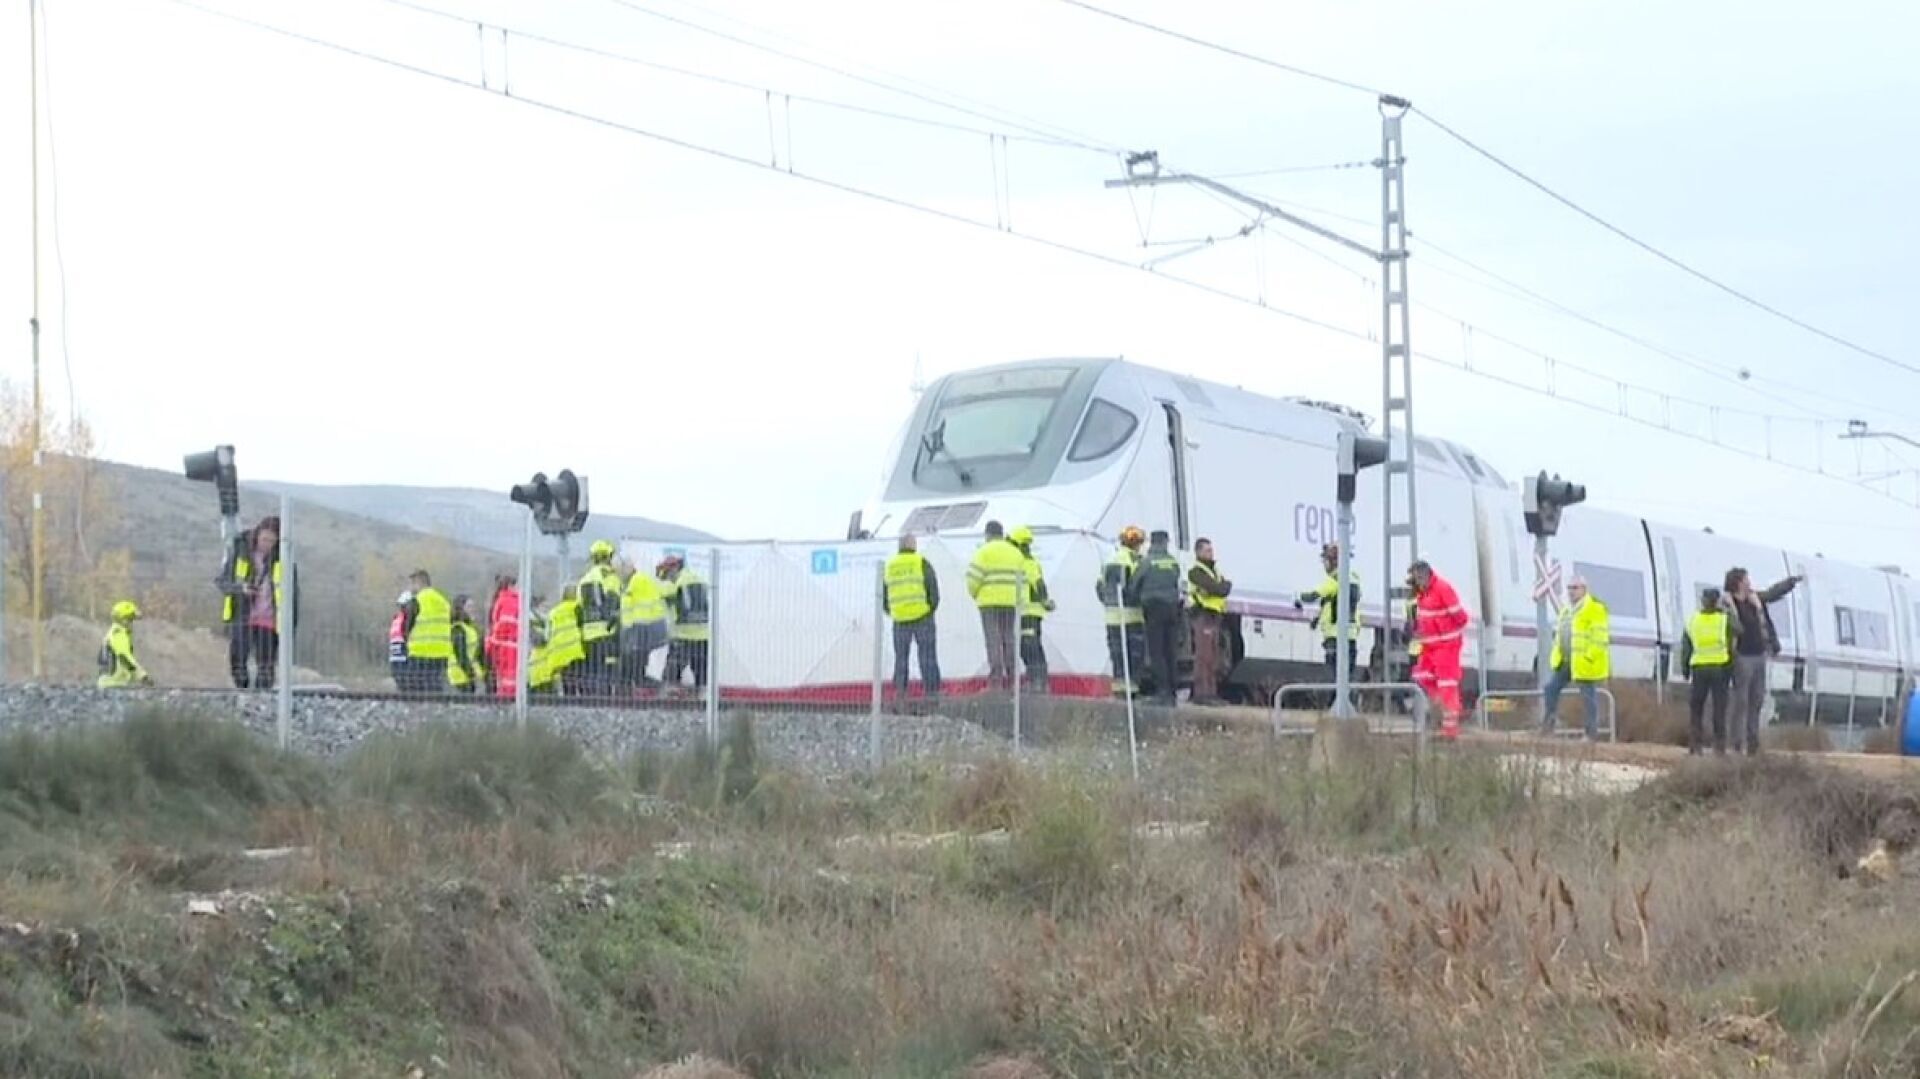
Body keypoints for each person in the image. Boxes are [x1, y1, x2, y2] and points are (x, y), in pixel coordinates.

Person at [1726, 566, 1802, 755]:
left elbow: (1772, 593)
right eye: (1746, 579)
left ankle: (1753, 743)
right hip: (1742, 657)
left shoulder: (1755, 600)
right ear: (1738, 583)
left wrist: (1790, 583)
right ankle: (1737, 742)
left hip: (1759, 655)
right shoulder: (1729, 603)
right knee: (1741, 702)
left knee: (1757, 700)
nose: (1749, 582)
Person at [218, 514, 288, 690]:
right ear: (257, 535)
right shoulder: (240, 552)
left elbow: (292, 592)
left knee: (266, 666)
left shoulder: (283, 558)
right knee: (238, 661)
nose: (266, 544)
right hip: (242, 615)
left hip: (270, 620)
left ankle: (262, 697)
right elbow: (222, 581)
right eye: (264, 539)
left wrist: (288, 622)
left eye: (272, 541)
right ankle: (242, 691)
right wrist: (241, 589)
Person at [1543, 576, 1611, 740]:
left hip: (1584, 662)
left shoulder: (1595, 609)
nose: (1571, 592)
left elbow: (1599, 637)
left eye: (1575, 588)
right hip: (1566, 661)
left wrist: (1589, 656)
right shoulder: (1566, 611)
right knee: (1550, 688)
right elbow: (1560, 635)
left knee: (1588, 697)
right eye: (1569, 588)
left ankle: (1591, 733)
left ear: (1584, 589)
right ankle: (1548, 726)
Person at [1409, 559, 1469, 738]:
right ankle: (1440, 709)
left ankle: (1450, 729)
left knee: (1447, 685)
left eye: (1418, 578)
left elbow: (1461, 617)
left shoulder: (1443, 589)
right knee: (1421, 676)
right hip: (1429, 646)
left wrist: (1445, 632)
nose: (1416, 582)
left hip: (1446, 646)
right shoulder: (1423, 593)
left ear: (1426, 575)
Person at [966, 521, 1025, 692]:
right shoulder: (1015, 553)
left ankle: (996, 680)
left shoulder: (983, 552)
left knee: (993, 640)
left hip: (988, 603)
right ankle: (1013, 678)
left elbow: (973, 579)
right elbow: (1024, 579)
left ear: (988, 534)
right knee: (1009, 638)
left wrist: (976, 594)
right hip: (1009, 603)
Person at [884, 533, 942, 708]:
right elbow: (933, 589)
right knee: (927, 654)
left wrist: (893, 611)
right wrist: (930, 609)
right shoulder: (921, 562)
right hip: (922, 616)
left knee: (901, 657)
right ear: (913, 545)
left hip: (900, 619)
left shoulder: (889, 566)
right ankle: (931, 691)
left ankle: (901, 692)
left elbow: (884, 596)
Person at [1679, 586, 1734, 755]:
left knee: (1696, 708)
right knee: (1719, 709)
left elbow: (1686, 647)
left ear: (1702, 601)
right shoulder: (1724, 620)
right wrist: (1728, 609)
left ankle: (1695, 746)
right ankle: (1719, 747)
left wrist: (1685, 669)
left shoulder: (1693, 620)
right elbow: (1740, 630)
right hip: (1720, 669)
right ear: (1717, 601)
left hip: (1699, 668)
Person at [1133, 530, 1186, 706]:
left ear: (1151, 542)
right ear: (1165, 542)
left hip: (1154, 608)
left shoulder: (1147, 562)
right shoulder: (1171, 561)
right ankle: (1172, 692)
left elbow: (1134, 584)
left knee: (1156, 652)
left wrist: (1136, 597)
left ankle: (1162, 692)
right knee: (1170, 650)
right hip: (1172, 608)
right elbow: (1176, 580)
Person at [1296, 543, 1360, 685]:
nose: (1325, 565)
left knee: (1334, 675)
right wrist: (1317, 619)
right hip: (1350, 635)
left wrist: (1297, 597)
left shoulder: (1335, 579)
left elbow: (1314, 596)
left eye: (1326, 561)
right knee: (1347, 676)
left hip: (1335, 635)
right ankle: (1346, 703)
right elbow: (1331, 602)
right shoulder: (1353, 578)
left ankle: (1336, 704)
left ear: (1334, 561)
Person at [1098, 525, 1147, 696]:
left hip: (1112, 617)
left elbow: (1100, 587)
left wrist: (1108, 603)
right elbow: (1133, 589)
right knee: (1134, 654)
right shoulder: (1135, 561)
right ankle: (1131, 689)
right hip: (1132, 615)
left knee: (1117, 653)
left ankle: (1119, 687)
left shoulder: (1110, 559)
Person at [1188, 538, 1233, 705]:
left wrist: (1222, 587)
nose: (1210, 553)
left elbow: (1225, 587)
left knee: (1213, 656)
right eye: (1207, 550)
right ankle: (1202, 693)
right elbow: (1218, 588)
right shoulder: (1196, 572)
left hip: (1214, 616)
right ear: (1198, 552)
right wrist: (1221, 587)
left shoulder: (1214, 571)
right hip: (1202, 614)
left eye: (1211, 550)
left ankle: (1211, 692)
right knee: (1204, 656)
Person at [1009, 526, 1054, 693]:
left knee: (1030, 646)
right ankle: (1036, 679)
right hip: (1026, 611)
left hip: (1028, 611)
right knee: (1029, 646)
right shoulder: (1027, 562)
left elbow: (1038, 584)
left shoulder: (1026, 563)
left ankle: (1038, 680)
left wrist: (1044, 600)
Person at [577, 540, 623, 697]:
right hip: (607, 632)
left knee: (592, 670)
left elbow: (580, 606)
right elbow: (614, 601)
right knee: (607, 670)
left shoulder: (584, 579)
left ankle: (591, 700)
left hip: (588, 634)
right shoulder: (610, 576)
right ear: (608, 556)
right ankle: (606, 699)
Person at [660, 554, 711, 695]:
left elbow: (669, 607)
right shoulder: (698, 579)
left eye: (668, 573)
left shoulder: (676, 583)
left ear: (674, 568)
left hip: (683, 633)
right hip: (703, 633)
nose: (668, 577)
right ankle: (703, 694)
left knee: (673, 666)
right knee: (700, 668)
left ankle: (670, 691)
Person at [619, 557, 670, 693]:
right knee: (639, 664)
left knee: (634, 664)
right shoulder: (641, 579)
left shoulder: (635, 582)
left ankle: (646, 688)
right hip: (651, 627)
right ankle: (644, 687)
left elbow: (628, 609)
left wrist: (626, 634)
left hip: (642, 628)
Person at [400, 570, 453, 695]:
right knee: (435, 689)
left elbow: (406, 626)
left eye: (412, 584)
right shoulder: (443, 601)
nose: (411, 588)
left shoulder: (417, 601)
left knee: (416, 691)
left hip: (420, 652)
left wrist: (407, 640)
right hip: (442, 653)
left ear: (418, 582)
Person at [97, 600, 151, 689]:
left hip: (111, 683)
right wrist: (142, 677)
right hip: (113, 685)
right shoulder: (118, 634)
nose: (132, 623)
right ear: (124, 619)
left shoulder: (115, 633)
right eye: (131, 619)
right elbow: (124, 657)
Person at [546, 584, 588, 695]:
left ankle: (568, 701)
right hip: (573, 648)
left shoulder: (553, 612)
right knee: (578, 677)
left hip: (558, 650)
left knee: (566, 680)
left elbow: (548, 632)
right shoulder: (577, 607)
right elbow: (582, 625)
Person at [485, 574, 521, 698]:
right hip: (510, 648)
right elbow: (506, 626)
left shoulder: (501, 600)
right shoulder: (511, 601)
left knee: (505, 681)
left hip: (502, 648)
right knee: (510, 681)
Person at [448, 594, 487, 696]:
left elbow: (478, 654)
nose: (472, 610)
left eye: (473, 607)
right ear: (460, 609)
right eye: (469, 607)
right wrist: (472, 675)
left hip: (470, 676)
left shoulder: (471, 628)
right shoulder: (457, 629)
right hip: (459, 677)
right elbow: (461, 655)